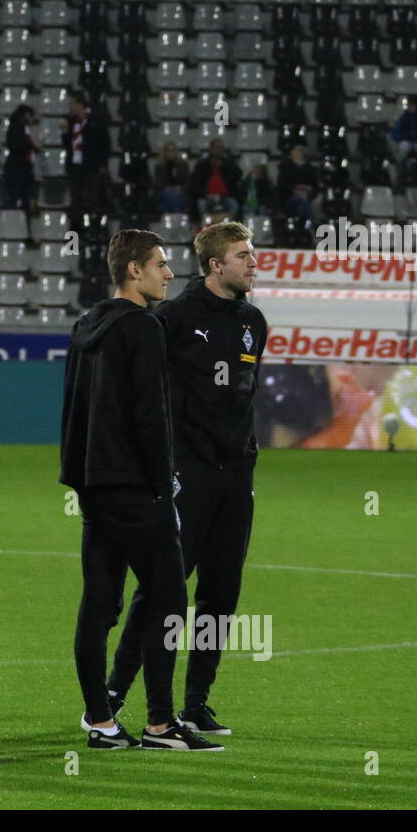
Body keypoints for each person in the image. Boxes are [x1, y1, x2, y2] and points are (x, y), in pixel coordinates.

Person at [59, 228, 223, 752]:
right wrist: (164, 485)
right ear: (134, 270)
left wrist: (78, 477)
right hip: (136, 487)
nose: (169, 274)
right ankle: (159, 724)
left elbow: (72, 410)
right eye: (159, 265)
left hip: (93, 486)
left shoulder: (88, 324)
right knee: (169, 599)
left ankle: (101, 721)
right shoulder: (144, 329)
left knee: (98, 604)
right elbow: (151, 416)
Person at [105, 221, 267, 739]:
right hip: (186, 476)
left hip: (236, 477)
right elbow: (148, 398)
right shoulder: (172, 319)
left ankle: (197, 702)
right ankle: (112, 695)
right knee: (160, 591)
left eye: (252, 253)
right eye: (243, 255)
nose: (253, 262)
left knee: (221, 594)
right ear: (216, 265)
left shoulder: (253, 322)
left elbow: (244, 397)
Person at [63, 89, 110, 225]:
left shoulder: (96, 120)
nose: (70, 107)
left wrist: (102, 164)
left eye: (72, 104)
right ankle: (76, 231)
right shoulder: (70, 122)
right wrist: (65, 133)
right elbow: (68, 146)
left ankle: (94, 228)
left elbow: (105, 144)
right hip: (74, 166)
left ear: (79, 104)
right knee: (75, 199)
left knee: (93, 198)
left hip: (91, 165)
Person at [189, 139, 242, 220]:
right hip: (207, 197)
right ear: (211, 149)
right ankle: (205, 226)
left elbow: (238, 175)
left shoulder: (229, 163)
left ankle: (230, 227)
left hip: (226, 197)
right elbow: (195, 183)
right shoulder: (202, 164)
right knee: (201, 204)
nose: (219, 150)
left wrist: (224, 165)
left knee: (234, 205)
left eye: (221, 147)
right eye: (217, 147)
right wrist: (205, 195)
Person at [3, 104, 41, 211]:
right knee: (19, 199)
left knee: (16, 199)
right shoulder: (19, 127)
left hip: (16, 167)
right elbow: (18, 145)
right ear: (26, 115)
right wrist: (33, 146)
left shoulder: (15, 126)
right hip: (18, 168)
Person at [277, 145, 317, 219]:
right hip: (289, 196)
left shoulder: (310, 168)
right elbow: (282, 183)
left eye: (298, 152)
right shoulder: (285, 166)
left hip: (307, 194)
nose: (294, 153)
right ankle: (309, 220)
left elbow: (314, 184)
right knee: (302, 200)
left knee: (303, 201)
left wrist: (308, 190)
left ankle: (303, 221)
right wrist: (295, 190)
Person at [390, 97, 417, 161]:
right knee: (402, 150)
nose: (410, 107)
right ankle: (399, 169)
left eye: (412, 105)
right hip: (406, 141)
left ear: (416, 106)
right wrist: (400, 138)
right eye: (409, 105)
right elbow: (396, 132)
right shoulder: (403, 118)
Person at [154, 143, 190, 215]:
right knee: (170, 193)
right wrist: (168, 190)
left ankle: (171, 216)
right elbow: (158, 183)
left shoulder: (183, 165)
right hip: (164, 193)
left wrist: (180, 189)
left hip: (181, 193)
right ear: (164, 153)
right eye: (168, 151)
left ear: (177, 152)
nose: (170, 153)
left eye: (172, 150)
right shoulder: (159, 166)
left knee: (174, 194)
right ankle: (177, 215)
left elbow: (187, 182)